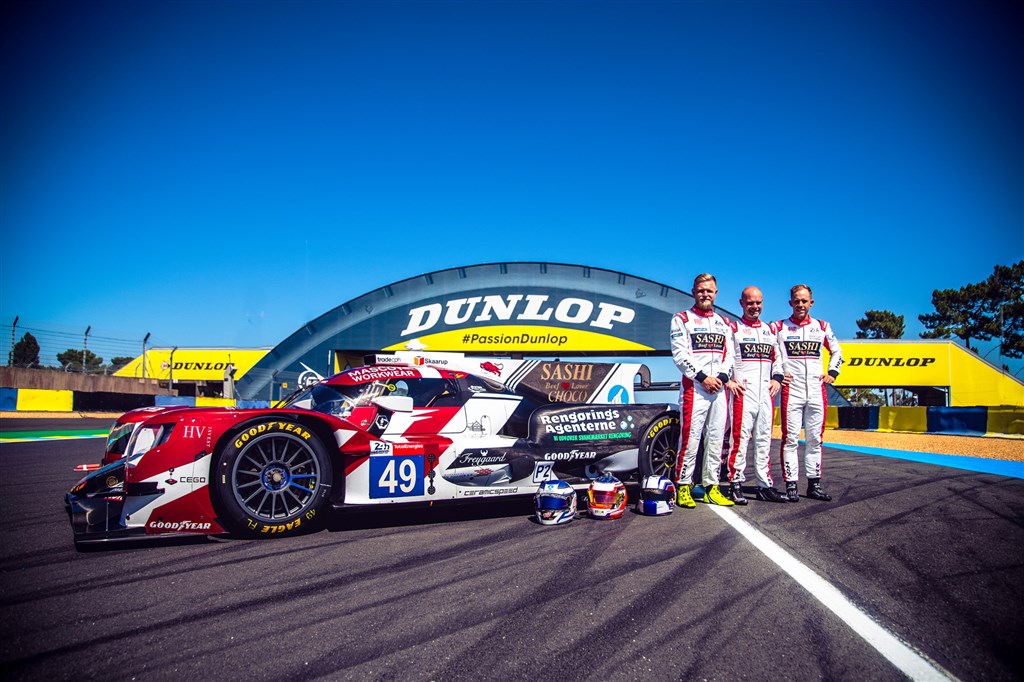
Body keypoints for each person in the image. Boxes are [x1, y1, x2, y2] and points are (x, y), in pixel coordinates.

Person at [670, 273, 735, 508]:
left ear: (716, 293)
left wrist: (721, 378)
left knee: (716, 439)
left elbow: (730, 356)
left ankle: (712, 487)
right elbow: (680, 355)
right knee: (690, 438)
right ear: (693, 292)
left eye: (709, 290)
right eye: (701, 290)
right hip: (694, 387)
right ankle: (683, 486)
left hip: (718, 388)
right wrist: (703, 378)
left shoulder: (724, 323)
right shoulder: (681, 319)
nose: (705, 294)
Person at [775, 284, 843, 502]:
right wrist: (777, 374)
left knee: (815, 439)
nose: (800, 304)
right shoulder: (779, 327)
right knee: (790, 439)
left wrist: (832, 372)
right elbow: (770, 355)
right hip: (792, 391)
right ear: (790, 303)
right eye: (796, 301)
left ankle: (814, 485)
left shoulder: (822, 326)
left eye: (804, 301)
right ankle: (791, 484)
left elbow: (837, 351)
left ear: (811, 303)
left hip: (816, 390)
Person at [723, 286, 789, 504]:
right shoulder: (734, 329)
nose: (755, 307)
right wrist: (728, 381)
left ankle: (764, 485)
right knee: (739, 440)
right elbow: (725, 358)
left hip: (766, 393)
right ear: (741, 303)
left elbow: (778, 360)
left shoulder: (769, 331)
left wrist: (777, 379)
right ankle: (735, 483)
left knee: (764, 440)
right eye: (750, 303)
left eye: (758, 302)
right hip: (743, 393)